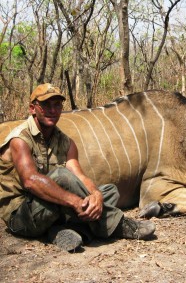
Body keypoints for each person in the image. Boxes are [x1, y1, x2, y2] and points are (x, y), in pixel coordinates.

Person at [0, 83, 155, 252]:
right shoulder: (19, 139)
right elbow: (30, 181)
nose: (52, 110)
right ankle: (118, 224)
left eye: (57, 105)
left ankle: (60, 230)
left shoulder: (65, 141)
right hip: (22, 216)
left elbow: (79, 176)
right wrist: (75, 201)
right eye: (46, 105)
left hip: (51, 208)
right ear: (32, 108)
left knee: (109, 191)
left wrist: (96, 196)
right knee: (62, 176)